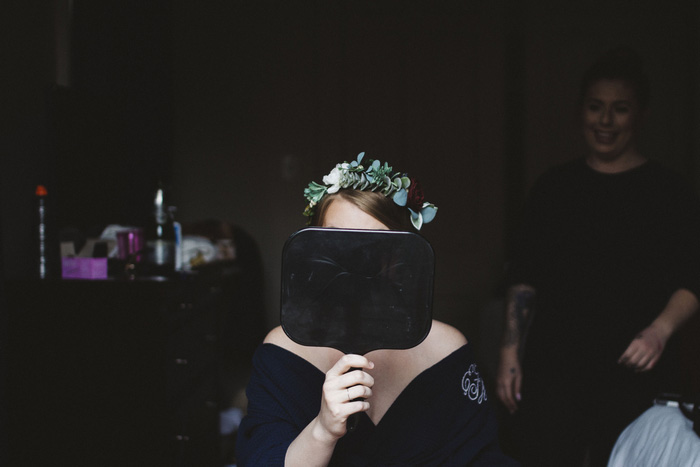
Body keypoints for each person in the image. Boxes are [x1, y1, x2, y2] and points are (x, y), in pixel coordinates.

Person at [237, 153, 518, 466]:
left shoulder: (447, 350)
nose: (355, 264)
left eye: (374, 247)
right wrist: (323, 430)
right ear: (313, 250)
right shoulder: (282, 352)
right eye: (337, 243)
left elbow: (481, 458)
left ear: (401, 256)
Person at [496, 47, 700, 466]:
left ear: (640, 115)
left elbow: (692, 276)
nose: (605, 121)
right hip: (555, 371)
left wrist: (659, 332)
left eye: (619, 109)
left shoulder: (669, 192)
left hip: (636, 374)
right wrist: (510, 353)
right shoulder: (553, 189)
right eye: (595, 107)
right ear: (580, 112)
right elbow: (525, 276)